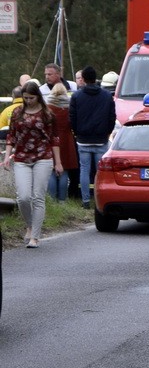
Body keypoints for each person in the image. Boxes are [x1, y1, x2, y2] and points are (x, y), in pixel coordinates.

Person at [3, 81, 63, 248]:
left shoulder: (47, 114)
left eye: (31, 97)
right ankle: (29, 225)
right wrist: (7, 156)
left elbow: (54, 139)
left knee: (37, 197)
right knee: (23, 197)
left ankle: (35, 236)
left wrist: (58, 162)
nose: (28, 101)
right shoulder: (17, 113)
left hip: (43, 157)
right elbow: (11, 137)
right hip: (22, 158)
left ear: (38, 96)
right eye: (25, 98)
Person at [69, 66, 116, 209]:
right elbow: (111, 117)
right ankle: (99, 200)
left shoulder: (77, 96)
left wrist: (77, 132)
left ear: (82, 79)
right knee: (99, 171)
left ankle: (85, 201)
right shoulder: (106, 96)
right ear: (96, 78)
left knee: (84, 169)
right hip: (101, 138)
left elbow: (72, 117)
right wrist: (107, 132)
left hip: (83, 139)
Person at [45, 83, 78, 201]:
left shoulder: (48, 108)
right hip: (67, 141)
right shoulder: (68, 108)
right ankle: (63, 199)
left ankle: (52, 199)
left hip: (51, 140)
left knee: (51, 171)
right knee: (65, 170)